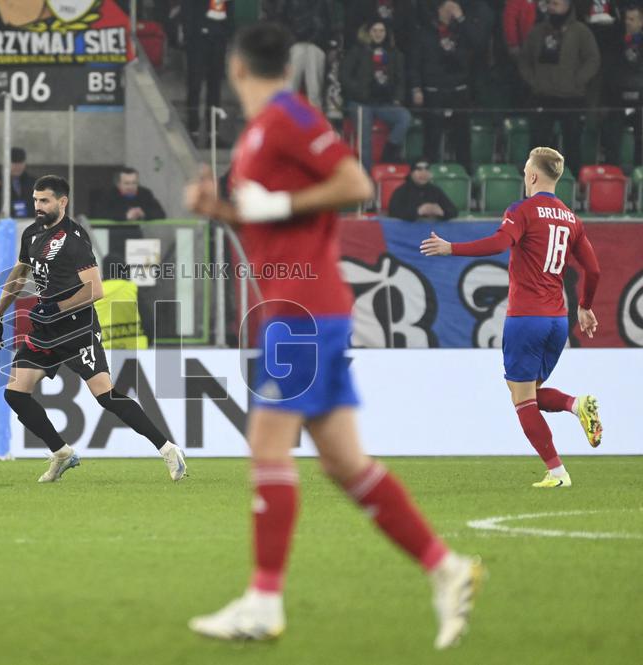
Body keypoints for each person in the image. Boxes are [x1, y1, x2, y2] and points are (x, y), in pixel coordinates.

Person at [184, 22, 483, 648]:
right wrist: (225, 211)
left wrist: (271, 207)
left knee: (267, 448)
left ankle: (264, 601)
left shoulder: (288, 116)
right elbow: (276, 216)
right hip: (303, 310)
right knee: (345, 462)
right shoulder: (262, 129)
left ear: (236, 67)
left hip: (304, 313)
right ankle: (445, 567)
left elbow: (357, 185)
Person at [420, 147, 602, 487]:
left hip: (526, 318)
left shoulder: (522, 210)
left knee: (522, 401)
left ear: (532, 175)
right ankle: (576, 404)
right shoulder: (571, 218)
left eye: (524, 169)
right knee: (530, 392)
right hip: (557, 321)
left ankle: (558, 472)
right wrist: (586, 306)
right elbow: (593, 269)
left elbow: (500, 242)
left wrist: (451, 248)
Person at [0, 175, 187, 483]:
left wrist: (57, 306)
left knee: (106, 396)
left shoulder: (74, 239)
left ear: (62, 202)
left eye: (45, 201)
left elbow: (95, 290)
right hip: (45, 330)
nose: (38, 206)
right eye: (35, 200)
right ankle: (62, 453)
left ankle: (168, 449)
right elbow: (19, 274)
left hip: (77, 328)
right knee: (15, 394)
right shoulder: (31, 234)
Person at [518, 0, 600, 175]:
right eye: (550, 4)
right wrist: (534, 81)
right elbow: (524, 60)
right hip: (542, 95)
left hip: (571, 97)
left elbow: (593, 59)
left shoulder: (580, 31)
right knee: (538, 145)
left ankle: (573, 185)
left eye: (556, 4)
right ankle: (534, 187)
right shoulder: (537, 31)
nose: (552, 8)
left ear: (567, 5)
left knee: (573, 144)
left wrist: (577, 81)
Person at [412, 0, 477, 167]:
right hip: (434, 89)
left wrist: (461, 18)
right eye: (446, 8)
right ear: (438, 10)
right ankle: (428, 176)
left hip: (459, 89)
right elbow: (415, 63)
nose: (450, 12)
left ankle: (465, 175)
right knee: (432, 137)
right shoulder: (425, 33)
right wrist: (416, 88)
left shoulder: (462, 31)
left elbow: (477, 45)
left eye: (453, 8)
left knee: (463, 137)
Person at [340, 19, 412, 171]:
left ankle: (389, 153)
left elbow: (400, 80)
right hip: (361, 103)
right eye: (375, 30)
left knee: (404, 117)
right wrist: (359, 92)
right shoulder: (357, 50)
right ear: (368, 32)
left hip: (383, 103)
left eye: (382, 31)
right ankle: (367, 176)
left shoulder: (394, 53)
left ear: (386, 33)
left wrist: (398, 98)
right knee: (365, 141)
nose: (378, 34)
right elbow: (345, 76)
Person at [182, 0, 234, 144]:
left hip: (218, 39)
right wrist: (190, 34)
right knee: (194, 85)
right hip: (198, 39)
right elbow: (187, 8)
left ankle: (213, 133)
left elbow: (229, 8)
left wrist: (227, 31)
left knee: (215, 87)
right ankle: (193, 130)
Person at [263, 0, 331, 107]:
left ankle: (298, 121)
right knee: (311, 91)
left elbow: (280, 18)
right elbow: (324, 21)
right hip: (309, 44)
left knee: (304, 90)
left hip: (303, 43)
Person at [600, 4, 643, 169]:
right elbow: (609, 73)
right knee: (612, 139)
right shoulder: (615, 43)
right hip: (617, 100)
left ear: (641, 22)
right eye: (626, 19)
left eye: (632, 19)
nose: (628, 22)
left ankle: (639, 178)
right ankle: (612, 176)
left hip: (640, 101)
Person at [97, 254, 149, 349]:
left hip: (104, 351)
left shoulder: (95, 292)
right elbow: (148, 319)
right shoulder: (131, 289)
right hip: (134, 349)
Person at [388, 159, 459, 220]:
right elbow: (393, 212)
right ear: (411, 173)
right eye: (419, 169)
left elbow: (454, 211)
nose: (423, 173)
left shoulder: (435, 190)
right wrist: (418, 211)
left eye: (426, 169)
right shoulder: (402, 190)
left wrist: (442, 212)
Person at [91, 167, 167, 221]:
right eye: (127, 183)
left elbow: (160, 214)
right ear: (118, 184)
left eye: (134, 183)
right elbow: (99, 214)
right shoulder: (108, 195)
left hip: (135, 236)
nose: (131, 187)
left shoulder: (144, 194)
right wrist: (125, 215)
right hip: (112, 236)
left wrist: (143, 213)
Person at [7, 147, 37, 218]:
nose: (17, 167)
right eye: (14, 163)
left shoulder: (34, 182)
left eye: (20, 163)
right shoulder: (0, 183)